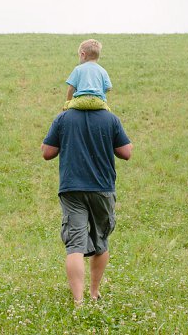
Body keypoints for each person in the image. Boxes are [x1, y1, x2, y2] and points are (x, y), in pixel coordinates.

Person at [41, 106, 132, 305]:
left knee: (75, 244)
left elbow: (47, 152)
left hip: (71, 188)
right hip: (102, 188)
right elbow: (126, 152)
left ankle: (78, 301)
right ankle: (94, 292)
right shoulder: (111, 119)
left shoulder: (63, 118)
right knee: (101, 239)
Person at [63, 39, 112, 111]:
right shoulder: (103, 70)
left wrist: (67, 103)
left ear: (83, 55)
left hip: (80, 102)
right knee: (108, 111)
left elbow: (71, 88)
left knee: (69, 108)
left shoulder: (78, 69)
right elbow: (109, 88)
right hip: (98, 103)